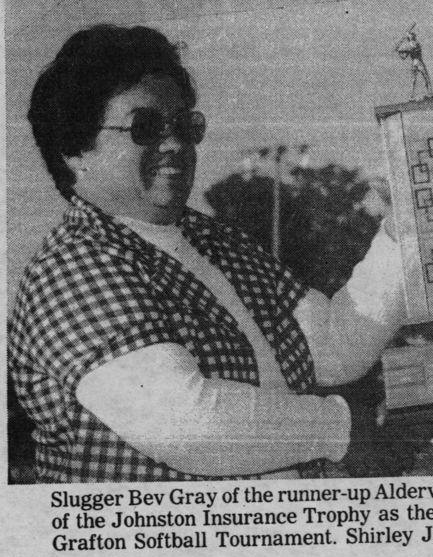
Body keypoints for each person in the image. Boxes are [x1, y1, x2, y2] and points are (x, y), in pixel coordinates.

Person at [9, 24, 409, 483]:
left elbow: (335, 349)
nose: (176, 144)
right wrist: (339, 427)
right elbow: (190, 426)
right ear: (76, 149)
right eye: (145, 127)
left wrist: (404, 233)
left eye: (185, 125)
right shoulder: (72, 268)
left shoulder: (217, 243)